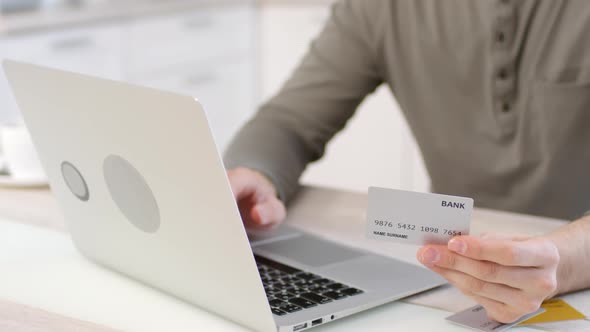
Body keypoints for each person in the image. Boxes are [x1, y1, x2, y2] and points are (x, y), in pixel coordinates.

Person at [223, 0, 590, 323]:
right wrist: (257, 173)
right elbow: (289, 120)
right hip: (450, 277)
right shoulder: (381, 6)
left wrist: (567, 259)